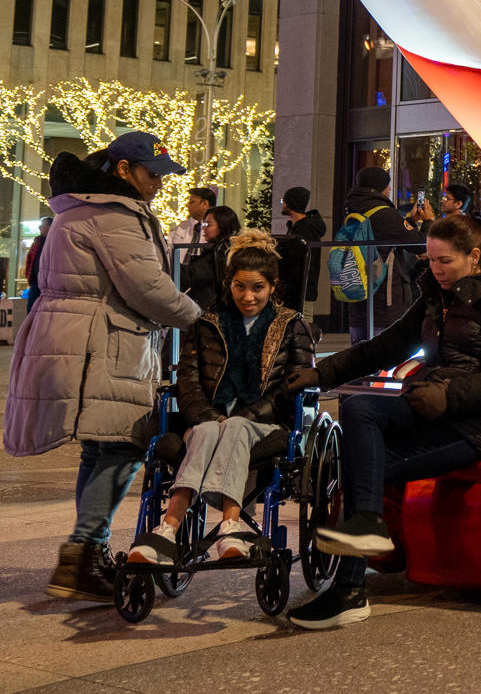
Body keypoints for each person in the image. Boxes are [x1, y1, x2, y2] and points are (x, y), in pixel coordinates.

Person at [281, 212, 481, 629]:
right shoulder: (438, 295)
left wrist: (448, 396)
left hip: (472, 426)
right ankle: (350, 585)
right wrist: (323, 373)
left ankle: (349, 589)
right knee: (359, 407)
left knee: (362, 467)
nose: (435, 269)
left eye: (445, 261)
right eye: (430, 259)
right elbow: (387, 346)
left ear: (474, 257)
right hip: (428, 406)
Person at [3, 133, 201, 602]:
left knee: (100, 449)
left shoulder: (82, 208)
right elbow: (147, 288)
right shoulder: (112, 215)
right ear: (123, 170)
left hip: (80, 336)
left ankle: (84, 555)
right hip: (101, 342)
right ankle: (82, 555)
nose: (158, 183)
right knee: (121, 446)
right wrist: (200, 319)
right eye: (151, 173)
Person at [126, 229, 318, 563]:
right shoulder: (207, 323)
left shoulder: (291, 325)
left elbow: (295, 384)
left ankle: (221, 525)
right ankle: (171, 531)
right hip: (208, 420)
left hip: (267, 424)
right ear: (228, 284)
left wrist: (248, 416)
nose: (248, 296)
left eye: (257, 287)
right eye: (240, 286)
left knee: (235, 428)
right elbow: (187, 381)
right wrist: (206, 415)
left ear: (273, 287)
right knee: (208, 430)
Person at [339, 166, 415, 346]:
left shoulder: (352, 210)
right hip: (384, 301)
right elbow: (417, 244)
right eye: (387, 186)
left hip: (357, 298)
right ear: (379, 187)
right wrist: (426, 221)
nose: (389, 190)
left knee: (357, 355)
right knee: (385, 354)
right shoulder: (385, 214)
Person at [180, 204, 241, 310]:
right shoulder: (227, 248)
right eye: (204, 223)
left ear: (223, 225)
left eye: (208, 224)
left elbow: (191, 275)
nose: (203, 227)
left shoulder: (220, 251)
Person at [278, 186, 327, 309]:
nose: (282, 203)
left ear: (291, 203)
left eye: (283, 200)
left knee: (302, 324)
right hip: (296, 289)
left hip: (301, 291)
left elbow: (306, 261)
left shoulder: (306, 230)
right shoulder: (297, 228)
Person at [169, 186, 216, 262]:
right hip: (178, 271)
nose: (187, 205)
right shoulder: (181, 227)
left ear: (204, 204)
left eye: (192, 202)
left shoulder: (217, 229)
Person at [21, 216, 51, 310]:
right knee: (31, 308)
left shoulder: (55, 241)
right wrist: (29, 276)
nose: (39, 228)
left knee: (45, 309)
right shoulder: (37, 242)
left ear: (50, 226)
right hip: (35, 282)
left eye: (42, 225)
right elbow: (30, 259)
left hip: (49, 283)